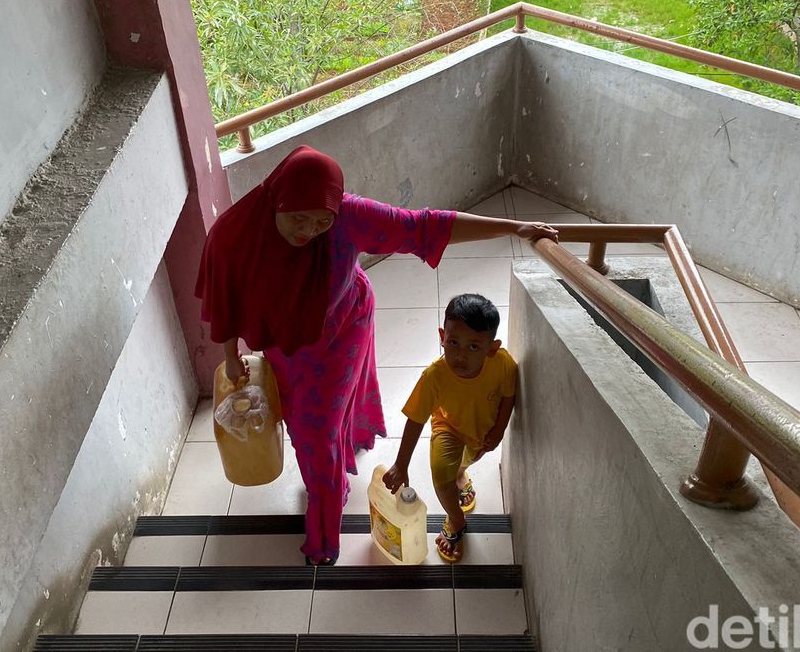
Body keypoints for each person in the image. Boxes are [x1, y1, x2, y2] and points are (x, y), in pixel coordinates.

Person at [195, 145, 554, 565]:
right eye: (297, 218)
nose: (308, 230)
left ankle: (324, 531)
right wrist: (230, 352)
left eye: (320, 220)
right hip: (288, 348)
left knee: (317, 436)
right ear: (277, 198)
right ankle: (330, 471)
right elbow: (225, 297)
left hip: (346, 324)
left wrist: (514, 227)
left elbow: (424, 225)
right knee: (307, 428)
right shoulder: (234, 235)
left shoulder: (348, 217)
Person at [383, 293, 515, 563]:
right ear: (442, 336)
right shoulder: (435, 376)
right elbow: (416, 419)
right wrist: (401, 464)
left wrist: (500, 430)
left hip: (481, 432)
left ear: (492, 347)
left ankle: (461, 475)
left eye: (474, 347)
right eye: (453, 342)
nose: (460, 355)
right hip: (449, 427)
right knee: (442, 472)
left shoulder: (503, 364)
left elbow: (509, 395)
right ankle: (456, 520)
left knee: (467, 461)